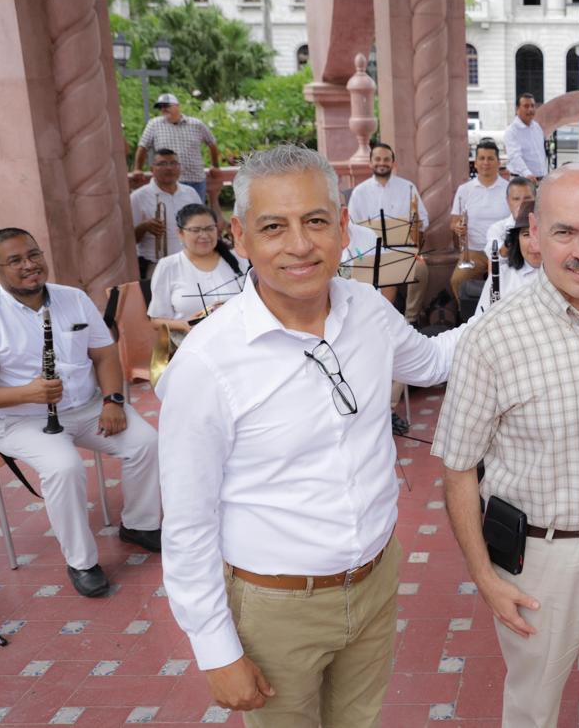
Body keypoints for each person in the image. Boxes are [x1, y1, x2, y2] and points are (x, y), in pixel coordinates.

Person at [157, 146, 465, 726]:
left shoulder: (368, 309)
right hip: (275, 606)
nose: (299, 245)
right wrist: (216, 650)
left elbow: (430, 362)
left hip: (375, 581)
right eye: (274, 227)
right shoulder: (207, 363)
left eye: (316, 221)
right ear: (241, 238)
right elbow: (188, 522)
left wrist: (521, 307)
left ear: (343, 229)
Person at [433, 164, 579, 727]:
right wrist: (485, 579)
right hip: (542, 561)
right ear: (534, 237)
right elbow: (458, 468)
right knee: (532, 711)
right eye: (566, 232)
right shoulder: (494, 337)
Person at [0, 228, 161, 597]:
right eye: (16, 261)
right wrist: (27, 392)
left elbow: (103, 355)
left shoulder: (73, 298)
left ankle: (139, 524)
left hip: (87, 407)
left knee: (147, 442)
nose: (30, 266)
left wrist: (113, 401)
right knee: (64, 466)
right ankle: (82, 562)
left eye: (34, 255)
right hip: (20, 419)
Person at [346, 142, 431, 322]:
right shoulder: (359, 192)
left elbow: (424, 220)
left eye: (386, 159)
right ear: (370, 163)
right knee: (385, 274)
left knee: (421, 269)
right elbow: (350, 227)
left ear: (393, 163)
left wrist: (416, 225)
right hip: (370, 253)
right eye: (377, 159)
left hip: (402, 250)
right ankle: (381, 322)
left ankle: (410, 320)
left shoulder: (407, 187)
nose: (382, 163)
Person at [148, 204, 246, 338]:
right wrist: (184, 325)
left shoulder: (239, 259)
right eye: (195, 230)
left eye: (209, 229)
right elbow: (156, 321)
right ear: (180, 233)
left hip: (239, 339)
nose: (204, 235)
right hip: (191, 345)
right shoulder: (168, 266)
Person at [130, 148, 204, 292]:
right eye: (162, 164)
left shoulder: (190, 193)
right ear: (152, 169)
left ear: (179, 167)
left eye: (174, 163)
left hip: (190, 262)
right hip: (155, 265)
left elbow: (202, 225)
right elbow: (130, 239)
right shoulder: (138, 197)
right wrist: (144, 227)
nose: (169, 168)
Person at [133, 93, 222, 206]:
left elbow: (212, 144)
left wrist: (215, 166)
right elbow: (142, 147)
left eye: (167, 106)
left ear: (177, 106)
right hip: (167, 181)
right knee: (170, 214)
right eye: (161, 107)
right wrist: (137, 169)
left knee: (196, 216)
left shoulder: (196, 124)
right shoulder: (154, 124)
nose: (163, 109)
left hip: (195, 179)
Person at [450, 138, 510, 304]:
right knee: (457, 281)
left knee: (505, 285)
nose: (486, 162)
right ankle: (469, 318)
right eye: (481, 158)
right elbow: (453, 221)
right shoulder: (464, 190)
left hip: (502, 250)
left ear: (498, 162)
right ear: (475, 163)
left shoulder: (509, 189)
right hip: (474, 251)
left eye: (490, 158)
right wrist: (458, 228)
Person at [474, 203, 542, 318]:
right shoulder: (502, 276)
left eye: (540, 234)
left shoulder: (567, 277)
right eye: (526, 234)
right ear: (517, 239)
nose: (533, 244)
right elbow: (478, 321)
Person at [484, 175, 537, 254]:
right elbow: (495, 254)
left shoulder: (545, 225)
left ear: (536, 198)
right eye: (516, 199)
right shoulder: (497, 229)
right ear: (508, 201)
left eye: (527, 198)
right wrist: (511, 238)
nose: (522, 203)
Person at [503, 94, 548, 180]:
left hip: (540, 179)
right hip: (522, 180)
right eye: (526, 106)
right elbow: (514, 156)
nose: (530, 109)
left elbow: (540, 154)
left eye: (532, 106)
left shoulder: (537, 127)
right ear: (517, 109)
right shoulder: (511, 131)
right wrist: (527, 174)